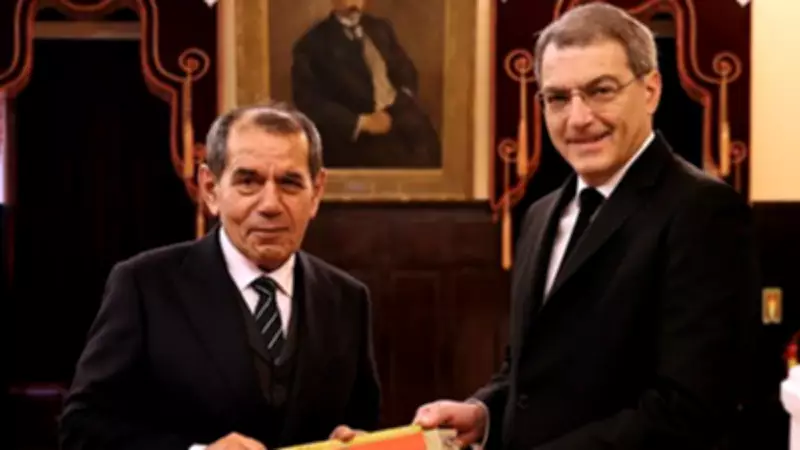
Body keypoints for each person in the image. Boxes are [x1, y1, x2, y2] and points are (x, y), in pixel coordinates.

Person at [413, 4, 759, 450]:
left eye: (601, 91)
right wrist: (483, 413)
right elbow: (532, 373)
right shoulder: (539, 214)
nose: (578, 118)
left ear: (651, 90)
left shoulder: (703, 211)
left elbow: (690, 410)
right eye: (558, 98)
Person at [59, 102, 381, 450]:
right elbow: (81, 427)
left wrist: (361, 442)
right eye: (248, 182)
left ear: (316, 192)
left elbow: (362, 426)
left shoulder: (348, 299)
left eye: (290, 183)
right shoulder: (143, 286)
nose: (270, 204)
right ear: (211, 189)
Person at [291, 0, 441, 168]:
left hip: (401, 118)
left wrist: (402, 101)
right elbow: (309, 102)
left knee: (431, 154)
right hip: (358, 139)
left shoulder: (380, 28)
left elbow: (406, 71)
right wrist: (361, 123)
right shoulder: (312, 44)